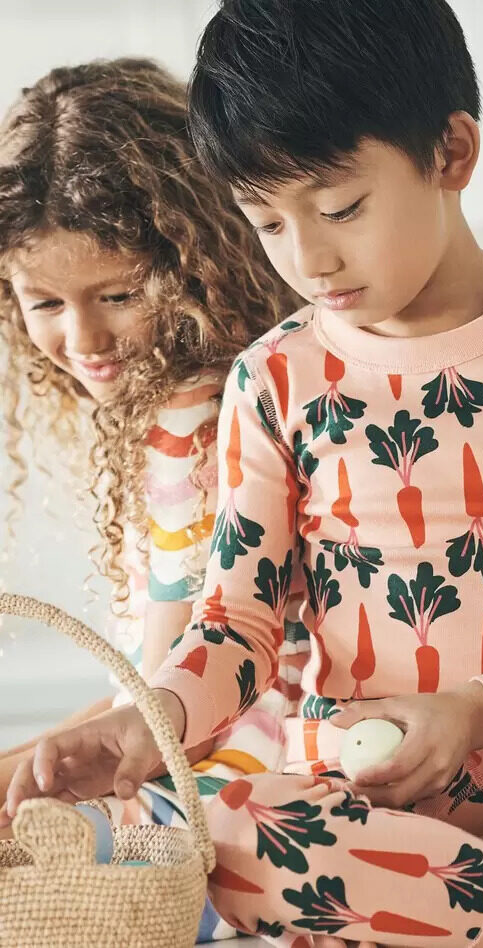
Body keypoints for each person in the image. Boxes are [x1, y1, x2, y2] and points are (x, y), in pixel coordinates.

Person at [3, 5, 483, 946]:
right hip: (363, 799)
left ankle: (478, 883)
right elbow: (237, 625)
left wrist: (476, 711)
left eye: (339, 209)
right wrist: (149, 728)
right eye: (265, 224)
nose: (310, 260)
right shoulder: (274, 377)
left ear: (451, 152)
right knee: (230, 836)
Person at [0, 57, 304, 942]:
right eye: (43, 302)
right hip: (204, 782)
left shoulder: (194, 420)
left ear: (197, 262)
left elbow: (167, 701)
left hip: (234, 802)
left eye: (119, 295)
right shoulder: (182, 405)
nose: (82, 337)